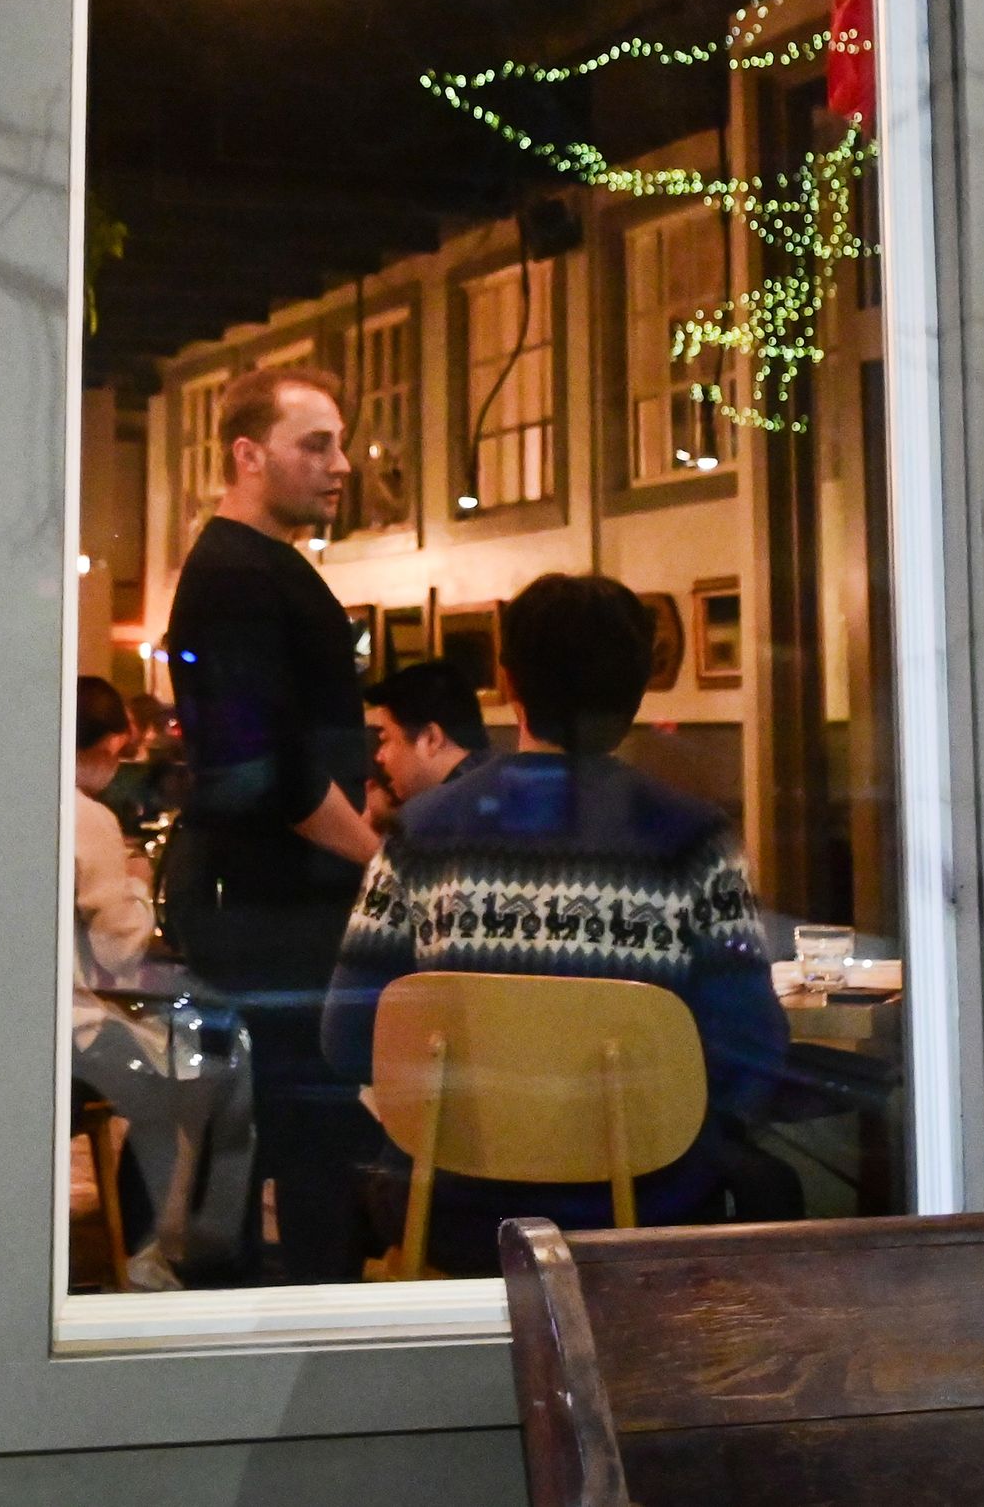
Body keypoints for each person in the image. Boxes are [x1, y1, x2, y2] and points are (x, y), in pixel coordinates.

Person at [322, 572, 792, 1274]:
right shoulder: (693, 839)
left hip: (452, 1208)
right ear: (639, 690)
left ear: (509, 683)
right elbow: (749, 1054)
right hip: (641, 1209)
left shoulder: (420, 835)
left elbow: (348, 1041)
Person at [158, 363, 378, 1281]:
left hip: (263, 891)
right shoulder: (238, 575)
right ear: (249, 455)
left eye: (341, 442)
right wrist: (379, 859)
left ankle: (274, 1319)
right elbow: (265, 772)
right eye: (314, 444)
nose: (341, 464)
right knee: (296, 1122)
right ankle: (301, 1335)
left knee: (282, 1122)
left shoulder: (252, 566)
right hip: (263, 899)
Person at [71, 676, 251, 1286]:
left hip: (1, 1034)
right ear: (102, 747)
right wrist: (140, 884)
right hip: (64, 1038)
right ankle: (160, 1253)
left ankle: (137, 1244)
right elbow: (118, 950)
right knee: (200, 1064)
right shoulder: (85, 816)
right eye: (118, 755)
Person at [362, 657, 490, 836]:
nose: (379, 756)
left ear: (431, 739)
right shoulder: (501, 790)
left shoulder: (431, 824)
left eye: (386, 739)